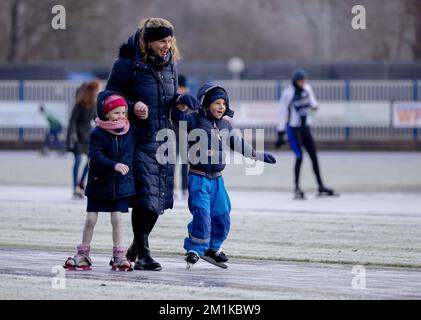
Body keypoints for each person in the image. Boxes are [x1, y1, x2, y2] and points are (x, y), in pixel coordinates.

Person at [105, 17, 199, 271]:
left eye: (169, 40)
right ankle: (144, 254)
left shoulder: (171, 65)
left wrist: (180, 102)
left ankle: (134, 249)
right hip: (138, 138)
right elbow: (108, 96)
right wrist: (132, 105)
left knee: (158, 202)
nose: (166, 45)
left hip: (164, 139)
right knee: (145, 198)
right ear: (148, 41)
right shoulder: (126, 64)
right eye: (161, 40)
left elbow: (169, 105)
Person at [172, 83, 277, 267]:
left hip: (217, 180)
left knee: (222, 215)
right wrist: (180, 101)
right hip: (198, 178)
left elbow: (238, 144)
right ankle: (195, 248)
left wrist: (257, 155)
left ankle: (213, 247)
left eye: (223, 103)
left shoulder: (225, 125)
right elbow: (175, 117)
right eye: (216, 103)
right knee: (202, 213)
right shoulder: (194, 120)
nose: (221, 107)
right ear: (205, 104)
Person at [63, 91, 135, 271]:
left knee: (117, 219)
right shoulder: (97, 133)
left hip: (119, 184)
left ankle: (119, 256)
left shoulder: (129, 131)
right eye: (117, 112)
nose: (121, 116)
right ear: (106, 114)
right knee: (91, 219)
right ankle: (83, 254)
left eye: (123, 112)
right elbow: (95, 157)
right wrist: (114, 165)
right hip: (98, 182)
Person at [275, 69, 336, 199]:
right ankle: (297, 188)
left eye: (304, 80)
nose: (303, 83)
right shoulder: (288, 93)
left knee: (314, 156)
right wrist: (280, 132)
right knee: (299, 156)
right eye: (300, 81)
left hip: (305, 127)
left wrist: (314, 107)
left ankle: (321, 186)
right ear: (295, 81)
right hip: (293, 128)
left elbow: (313, 104)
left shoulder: (307, 89)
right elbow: (281, 112)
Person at [66, 80, 102, 199]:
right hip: (77, 137)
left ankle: (81, 184)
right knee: (77, 160)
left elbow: (96, 119)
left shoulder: (93, 106)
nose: (98, 92)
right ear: (91, 92)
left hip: (87, 137)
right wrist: (73, 135)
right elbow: (72, 121)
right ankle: (75, 186)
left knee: (90, 162)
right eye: (96, 91)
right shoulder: (80, 105)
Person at [175, 74, 189, 199]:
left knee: (185, 164)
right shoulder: (172, 101)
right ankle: (172, 188)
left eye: (182, 87)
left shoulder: (189, 102)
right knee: (171, 163)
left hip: (184, 137)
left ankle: (185, 188)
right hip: (172, 137)